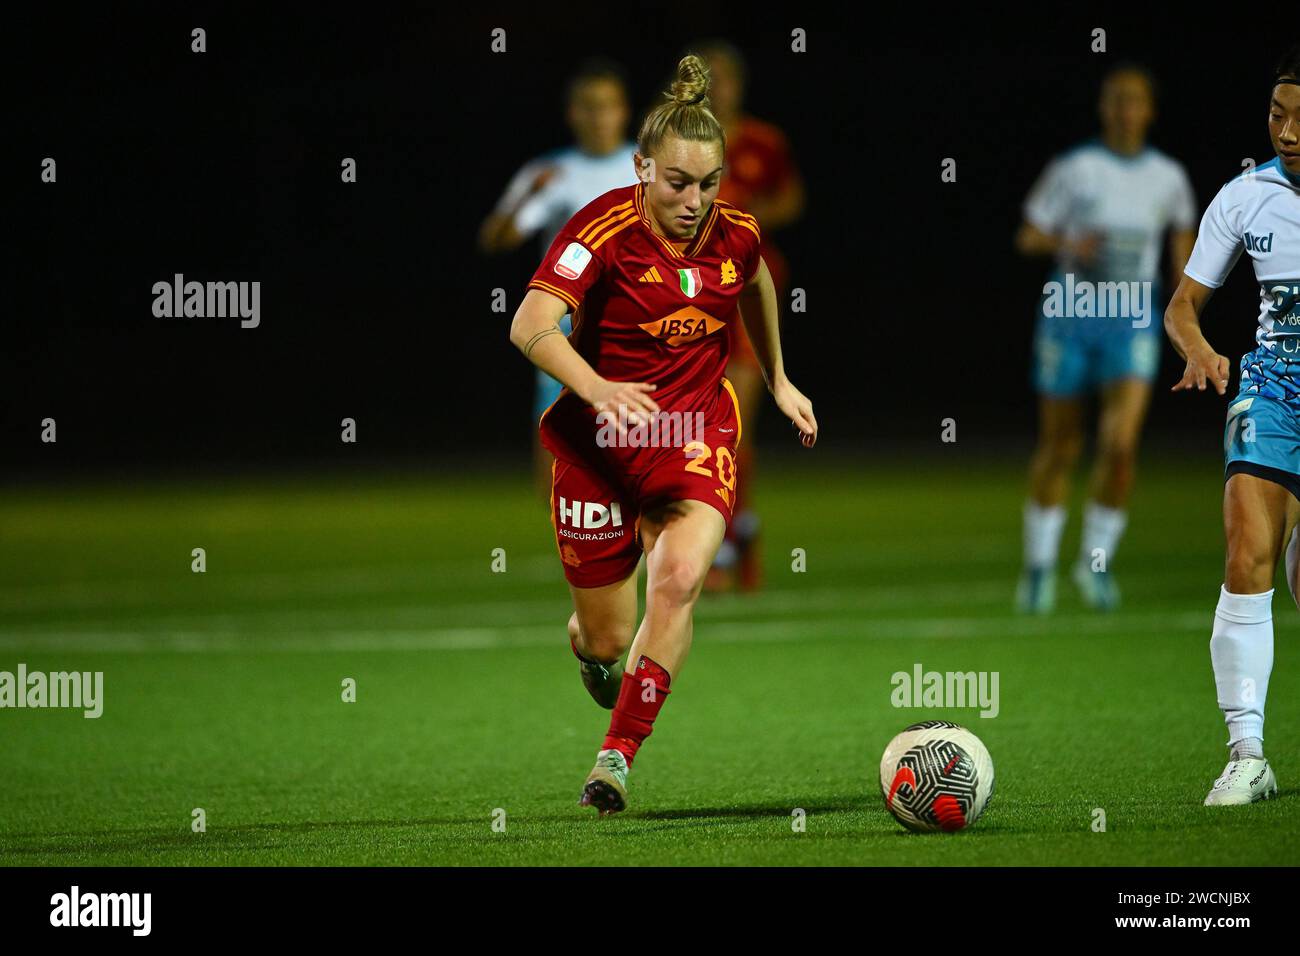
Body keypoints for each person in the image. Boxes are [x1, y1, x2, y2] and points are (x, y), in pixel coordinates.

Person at [508, 54, 818, 815]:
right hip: (597, 448)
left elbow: (757, 280)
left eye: (708, 184)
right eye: (678, 182)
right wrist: (599, 388)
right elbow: (530, 325)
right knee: (607, 640)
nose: (694, 199)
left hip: (693, 433)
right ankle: (588, 648)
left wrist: (777, 377)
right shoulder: (603, 228)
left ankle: (616, 758)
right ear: (644, 168)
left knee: (678, 582)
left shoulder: (732, 233)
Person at [1165, 43, 1300, 806]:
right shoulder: (1245, 196)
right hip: (1274, 388)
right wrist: (1205, 352)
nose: (1286, 131)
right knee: (1247, 551)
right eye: (1277, 115)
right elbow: (1181, 307)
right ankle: (1247, 752)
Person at [1015, 64, 1197, 613]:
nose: (1124, 110)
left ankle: (1094, 565)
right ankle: (1039, 569)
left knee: (1120, 448)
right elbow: (1028, 235)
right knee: (1061, 445)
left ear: (1149, 111)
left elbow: (1186, 256)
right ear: (1103, 107)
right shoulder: (1075, 168)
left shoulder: (1169, 177)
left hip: (1131, 315)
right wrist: (1072, 242)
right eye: (1115, 100)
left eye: (1134, 101)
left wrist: (1184, 316)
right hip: (1070, 310)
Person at [479, 59, 638, 497]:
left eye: (606, 106)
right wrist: (524, 199)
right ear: (572, 114)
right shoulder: (550, 172)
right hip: (567, 326)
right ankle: (563, 532)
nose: (598, 117)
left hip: (636, 322)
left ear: (623, 111)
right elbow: (496, 239)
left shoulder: (647, 165)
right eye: (588, 107)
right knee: (556, 435)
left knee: (637, 436)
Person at [693, 40, 806, 592]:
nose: (717, 88)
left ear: (739, 84)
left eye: (725, 78)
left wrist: (752, 215)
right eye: (705, 78)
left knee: (733, 428)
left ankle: (735, 542)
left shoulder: (763, 141)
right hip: (686, 292)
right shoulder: (679, 142)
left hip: (745, 290)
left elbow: (792, 200)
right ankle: (706, 546)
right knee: (688, 428)